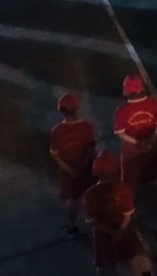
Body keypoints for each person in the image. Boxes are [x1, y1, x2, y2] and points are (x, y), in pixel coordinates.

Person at [84, 151, 149, 276]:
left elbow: (92, 220)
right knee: (138, 259)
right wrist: (118, 233)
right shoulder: (124, 188)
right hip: (123, 230)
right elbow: (127, 216)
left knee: (105, 267)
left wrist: (110, 232)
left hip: (103, 234)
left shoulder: (90, 194)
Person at [50, 93, 95, 237]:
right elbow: (91, 149)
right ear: (77, 108)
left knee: (72, 199)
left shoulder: (57, 131)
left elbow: (54, 154)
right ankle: (95, 221)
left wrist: (70, 170)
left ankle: (72, 226)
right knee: (91, 194)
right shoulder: (86, 126)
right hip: (86, 169)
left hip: (68, 173)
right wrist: (83, 166)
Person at [113, 76, 157, 189]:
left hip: (133, 150)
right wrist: (150, 141)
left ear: (125, 92)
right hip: (154, 146)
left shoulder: (121, 111)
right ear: (142, 89)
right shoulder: (154, 104)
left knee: (130, 182)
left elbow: (120, 133)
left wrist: (138, 143)